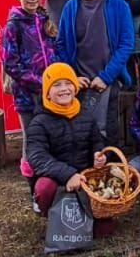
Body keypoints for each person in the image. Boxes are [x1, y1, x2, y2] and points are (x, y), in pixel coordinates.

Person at [25, 62, 115, 236]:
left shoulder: (85, 114)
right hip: (58, 180)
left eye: (68, 83)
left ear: (75, 87)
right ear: (47, 93)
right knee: (44, 188)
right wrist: (68, 175)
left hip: (85, 178)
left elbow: (97, 141)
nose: (64, 89)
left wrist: (100, 155)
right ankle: (54, 216)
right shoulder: (39, 122)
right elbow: (37, 157)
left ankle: (89, 215)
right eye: (57, 85)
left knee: (105, 231)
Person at [54, 0, 134, 135]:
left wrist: (106, 76)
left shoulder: (118, 4)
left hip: (110, 79)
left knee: (108, 131)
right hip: (80, 81)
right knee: (81, 132)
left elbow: (126, 44)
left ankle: (111, 163)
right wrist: (72, 76)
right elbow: (62, 45)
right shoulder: (70, 8)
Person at [1, 0, 55, 209]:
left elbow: (55, 51)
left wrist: (59, 79)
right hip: (28, 96)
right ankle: (32, 188)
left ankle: (50, 184)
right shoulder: (14, 25)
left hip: (52, 94)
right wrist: (39, 82)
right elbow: (10, 63)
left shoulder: (44, 19)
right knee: (31, 141)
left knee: (51, 137)